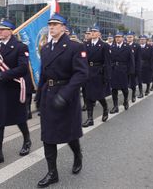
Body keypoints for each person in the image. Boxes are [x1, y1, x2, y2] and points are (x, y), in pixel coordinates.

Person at [36, 13, 88, 188]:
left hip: (66, 96)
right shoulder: (45, 48)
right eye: (50, 24)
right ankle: (52, 173)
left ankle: (77, 155)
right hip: (48, 96)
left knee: (69, 134)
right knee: (48, 136)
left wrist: (65, 94)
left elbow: (81, 74)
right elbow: (44, 74)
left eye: (56, 24)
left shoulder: (74, 47)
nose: (51, 27)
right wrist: (38, 95)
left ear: (64, 28)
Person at [0, 19, 32, 168]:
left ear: (11, 31)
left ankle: (27, 140)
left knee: (19, 118)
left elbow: (23, 68)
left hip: (13, 87)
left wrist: (5, 75)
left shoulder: (20, 47)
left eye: (2, 29)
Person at [82, 25, 111, 127]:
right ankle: (90, 118)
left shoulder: (104, 45)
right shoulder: (86, 44)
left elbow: (107, 62)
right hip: (88, 72)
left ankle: (105, 108)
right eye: (91, 31)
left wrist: (107, 76)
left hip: (99, 72)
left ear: (99, 34)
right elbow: (83, 59)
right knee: (89, 96)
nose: (92, 33)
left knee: (99, 95)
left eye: (95, 31)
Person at [109, 31, 135, 113]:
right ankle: (115, 106)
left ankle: (126, 100)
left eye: (119, 37)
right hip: (114, 70)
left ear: (123, 38)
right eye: (116, 37)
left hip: (124, 70)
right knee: (114, 89)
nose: (117, 38)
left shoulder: (127, 47)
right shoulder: (112, 46)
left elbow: (131, 60)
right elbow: (109, 59)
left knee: (124, 88)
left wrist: (131, 71)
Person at [125, 31, 142, 102]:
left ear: (133, 38)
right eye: (128, 37)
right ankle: (126, 98)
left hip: (133, 67)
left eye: (130, 37)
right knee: (125, 83)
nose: (129, 38)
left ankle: (133, 95)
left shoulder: (137, 46)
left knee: (133, 83)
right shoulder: (124, 45)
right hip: (125, 68)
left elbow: (138, 59)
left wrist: (137, 69)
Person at [81, 28, 91, 111]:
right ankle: (85, 103)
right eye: (86, 33)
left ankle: (92, 101)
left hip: (93, 69)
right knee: (84, 88)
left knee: (92, 87)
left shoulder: (92, 44)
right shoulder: (82, 44)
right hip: (84, 69)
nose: (87, 35)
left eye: (89, 33)